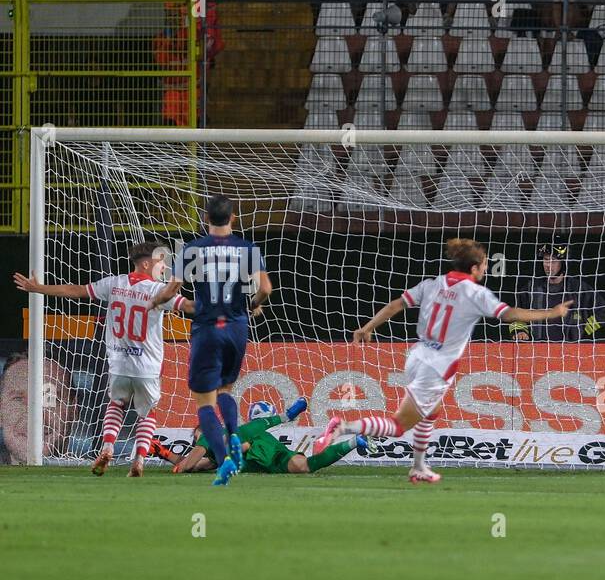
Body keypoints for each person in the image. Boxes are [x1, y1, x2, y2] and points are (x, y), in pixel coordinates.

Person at [312, 238, 571, 483]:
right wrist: (553, 312)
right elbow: (511, 314)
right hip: (436, 368)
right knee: (399, 425)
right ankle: (342, 427)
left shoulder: (432, 284)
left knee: (431, 412)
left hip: (417, 356)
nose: (485, 270)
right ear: (473, 268)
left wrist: (367, 327)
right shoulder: (475, 293)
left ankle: (419, 466)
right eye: (483, 266)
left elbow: (395, 306)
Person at [14, 241, 178, 477]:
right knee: (147, 413)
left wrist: (39, 288)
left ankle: (108, 447)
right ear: (146, 263)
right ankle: (139, 460)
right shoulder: (158, 290)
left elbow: (75, 290)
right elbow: (185, 305)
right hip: (147, 366)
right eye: (160, 261)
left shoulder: (114, 283)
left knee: (116, 405)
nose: (163, 266)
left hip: (119, 364)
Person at [155, 195, 273, 486]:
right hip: (236, 327)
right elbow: (267, 289)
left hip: (207, 327)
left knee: (205, 404)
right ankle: (234, 434)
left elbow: (172, 290)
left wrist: (154, 302)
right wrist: (253, 304)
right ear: (233, 218)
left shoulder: (193, 249)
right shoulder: (248, 249)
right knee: (226, 391)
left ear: (206, 218)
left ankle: (225, 462)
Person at [169, 397, 365, 475]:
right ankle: (355, 441)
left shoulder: (209, 439)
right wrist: (160, 452)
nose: (196, 438)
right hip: (264, 454)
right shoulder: (212, 457)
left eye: (197, 435)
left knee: (303, 465)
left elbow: (186, 466)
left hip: (262, 448)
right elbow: (191, 465)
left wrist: (179, 468)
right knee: (303, 466)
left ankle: (288, 414)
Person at [513, 242, 605, 342]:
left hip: (572, 351)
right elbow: (516, 314)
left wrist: (583, 331)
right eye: (546, 260)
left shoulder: (579, 289)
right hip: (538, 350)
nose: (548, 265)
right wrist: (520, 331)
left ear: (563, 263)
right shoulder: (531, 288)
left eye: (553, 260)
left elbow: (604, 313)